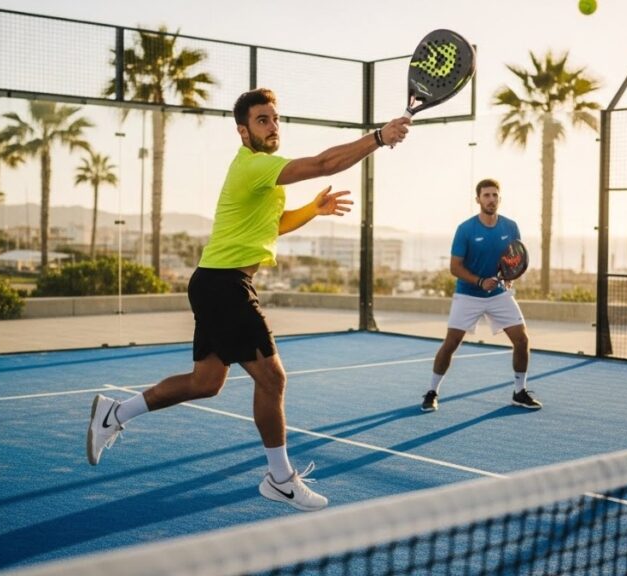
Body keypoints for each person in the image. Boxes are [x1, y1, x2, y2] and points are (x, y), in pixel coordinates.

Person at [87, 88, 411, 513]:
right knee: (273, 380)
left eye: (275, 118)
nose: (273, 126)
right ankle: (280, 479)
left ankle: (115, 413)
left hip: (213, 282)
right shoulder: (255, 166)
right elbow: (323, 164)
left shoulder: (261, 173)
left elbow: (273, 224)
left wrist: (313, 210)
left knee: (206, 383)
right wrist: (378, 138)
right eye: (263, 120)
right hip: (224, 286)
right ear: (243, 131)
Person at [421, 178, 541, 413]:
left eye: (495, 195)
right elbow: (455, 267)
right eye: (486, 195)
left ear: (499, 199)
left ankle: (519, 392)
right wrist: (479, 281)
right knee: (451, 344)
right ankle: (432, 392)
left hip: (499, 294)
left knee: (522, 339)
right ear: (478, 199)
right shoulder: (465, 229)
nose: (491, 200)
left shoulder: (511, 226)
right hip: (468, 295)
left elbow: (513, 259)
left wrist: (509, 277)